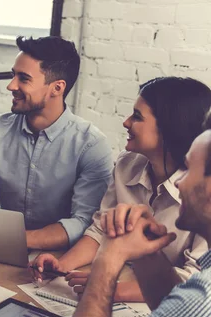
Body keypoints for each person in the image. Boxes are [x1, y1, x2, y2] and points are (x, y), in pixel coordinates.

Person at [54, 119, 211, 317]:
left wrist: (107, 262)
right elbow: (173, 307)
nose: (180, 182)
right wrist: (144, 252)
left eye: (188, 170)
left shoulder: (201, 308)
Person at [31, 77, 211, 301]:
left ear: (169, 129)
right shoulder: (127, 164)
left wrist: (108, 290)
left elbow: (195, 281)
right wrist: (61, 265)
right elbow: (100, 231)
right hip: (123, 277)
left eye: (137, 117)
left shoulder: (202, 192)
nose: (126, 122)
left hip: (169, 303)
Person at [0, 36, 113, 250]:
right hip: (4, 243)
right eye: (12, 75)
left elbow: (82, 222)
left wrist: (10, 239)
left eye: (23, 79)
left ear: (57, 88)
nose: (10, 85)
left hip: (62, 255)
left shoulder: (91, 145)